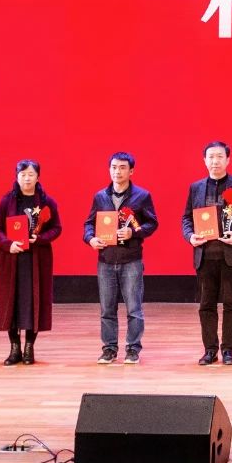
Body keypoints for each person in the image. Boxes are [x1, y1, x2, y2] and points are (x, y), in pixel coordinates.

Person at [181, 141, 232, 366]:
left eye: (219, 157)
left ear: (228, 160)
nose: (215, 161)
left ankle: (228, 350)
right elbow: (186, 218)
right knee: (206, 304)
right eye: (211, 157)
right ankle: (210, 350)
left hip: (231, 253)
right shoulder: (196, 187)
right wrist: (190, 236)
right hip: (205, 255)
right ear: (204, 160)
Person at [84, 151, 159, 365]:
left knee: (134, 308)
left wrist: (133, 232)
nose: (117, 171)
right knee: (107, 309)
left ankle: (133, 348)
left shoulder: (142, 196)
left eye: (122, 168)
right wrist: (90, 238)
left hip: (131, 259)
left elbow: (152, 223)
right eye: (114, 167)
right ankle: (109, 348)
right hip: (106, 259)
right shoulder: (100, 196)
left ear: (131, 171)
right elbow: (89, 223)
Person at [0, 159, 63, 365]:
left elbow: (57, 228)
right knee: (11, 302)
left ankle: (29, 347)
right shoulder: (7, 201)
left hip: (36, 259)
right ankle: (14, 348)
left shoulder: (47, 202)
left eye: (31, 174)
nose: (27, 179)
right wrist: (7, 244)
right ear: (16, 176)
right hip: (11, 258)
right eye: (22, 175)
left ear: (38, 177)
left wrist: (40, 238)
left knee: (33, 302)